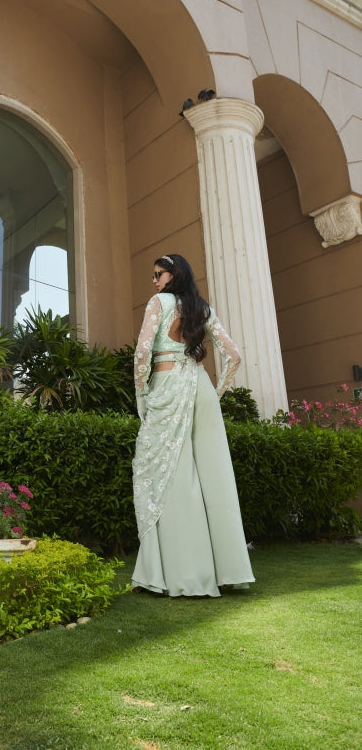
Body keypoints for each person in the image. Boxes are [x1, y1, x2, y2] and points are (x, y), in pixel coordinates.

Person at [132, 253, 254, 597]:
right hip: (200, 388)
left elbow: (141, 353)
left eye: (158, 274)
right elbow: (234, 356)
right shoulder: (202, 308)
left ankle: (178, 574)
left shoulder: (158, 303)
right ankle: (223, 571)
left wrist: (141, 394)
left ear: (174, 275)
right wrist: (216, 392)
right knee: (213, 477)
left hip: (167, 385)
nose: (154, 281)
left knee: (164, 476)